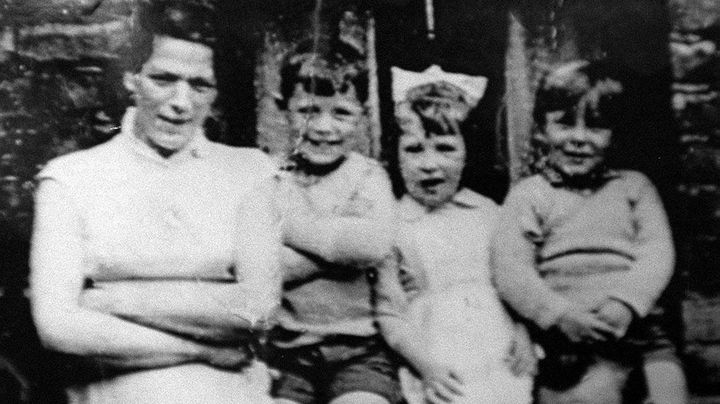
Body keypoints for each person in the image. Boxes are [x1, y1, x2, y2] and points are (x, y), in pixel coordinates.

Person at [29, 1, 280, 403]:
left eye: (200, 85)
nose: (181, 102)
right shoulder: (70, 179)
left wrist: (107, 300)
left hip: (231, 388)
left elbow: (259, 310)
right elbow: (58, 326)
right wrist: (203, 348)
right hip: (119, 389)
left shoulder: (248, 172)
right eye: (164, 79)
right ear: (132, 79)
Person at [491, 60, 687, 404]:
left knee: (668, 386)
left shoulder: (635, 188)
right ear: (541, 129)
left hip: (635, 326)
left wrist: (626, 303)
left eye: (596, 127)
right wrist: (559, 314)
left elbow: (657, 254)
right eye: (564, 124)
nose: (579, 138)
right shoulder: (530, 195)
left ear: (615, 134)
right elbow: (510, 269)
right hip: (564, 332)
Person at [375, 66, 535, 404]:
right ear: (396, 156)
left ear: (467, 153)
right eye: (415, 150)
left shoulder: (489, 213)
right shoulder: (392, 223)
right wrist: (425, 365)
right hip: (436, 355)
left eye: (445, 149)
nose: (430, 164)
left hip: (497, 346)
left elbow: (514, 281)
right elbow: (390, 313)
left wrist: (523, 330)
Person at [264, 39, 403, 404]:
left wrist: (286, 224)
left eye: (341, 113)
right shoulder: (270, 175)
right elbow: (260, 262)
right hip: (285, 353)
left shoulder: (369, 176)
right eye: (309, 111)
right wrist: (340, 246)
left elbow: (371, 245)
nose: (324, 127)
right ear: (283, 108)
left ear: (363, 113)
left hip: (360, 351)